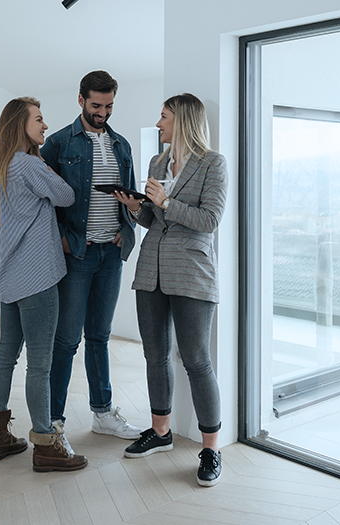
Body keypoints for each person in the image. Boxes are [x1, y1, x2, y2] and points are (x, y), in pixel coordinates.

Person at [114, 94, 227, 487]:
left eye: (164, 117)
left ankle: (211, 449)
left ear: (183, 121)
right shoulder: (157, 163)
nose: (159, 123)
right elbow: (153, 219)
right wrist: (136, 208)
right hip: (151, 271)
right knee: (155, 354)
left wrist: (165, 201)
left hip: (192, 272)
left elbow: (210, 220)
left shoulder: (213, 163)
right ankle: (160, 432)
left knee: (196, 360)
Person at [0, 97, 88, 473]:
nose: (45, 126)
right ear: (19, 126)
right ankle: (46, 445)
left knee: (5, 357)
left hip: (8, 278)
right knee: (40, 365)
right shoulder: (28, 165)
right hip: (37, 278)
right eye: (39, 119)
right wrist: (46, 167)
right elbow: (67, 196)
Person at [40, 71, 143, 440]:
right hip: (76, 255)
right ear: (81, 100)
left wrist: (127, 226)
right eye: (96, 105)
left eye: (109, 105)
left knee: (99, 336)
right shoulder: (57, 144)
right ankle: (53, 422)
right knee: (66, 340)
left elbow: (131, 199)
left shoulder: (121, 146)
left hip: (110, 255)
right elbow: (41, 201)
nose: (103, 112)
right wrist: (61, 240)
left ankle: (103, 414)